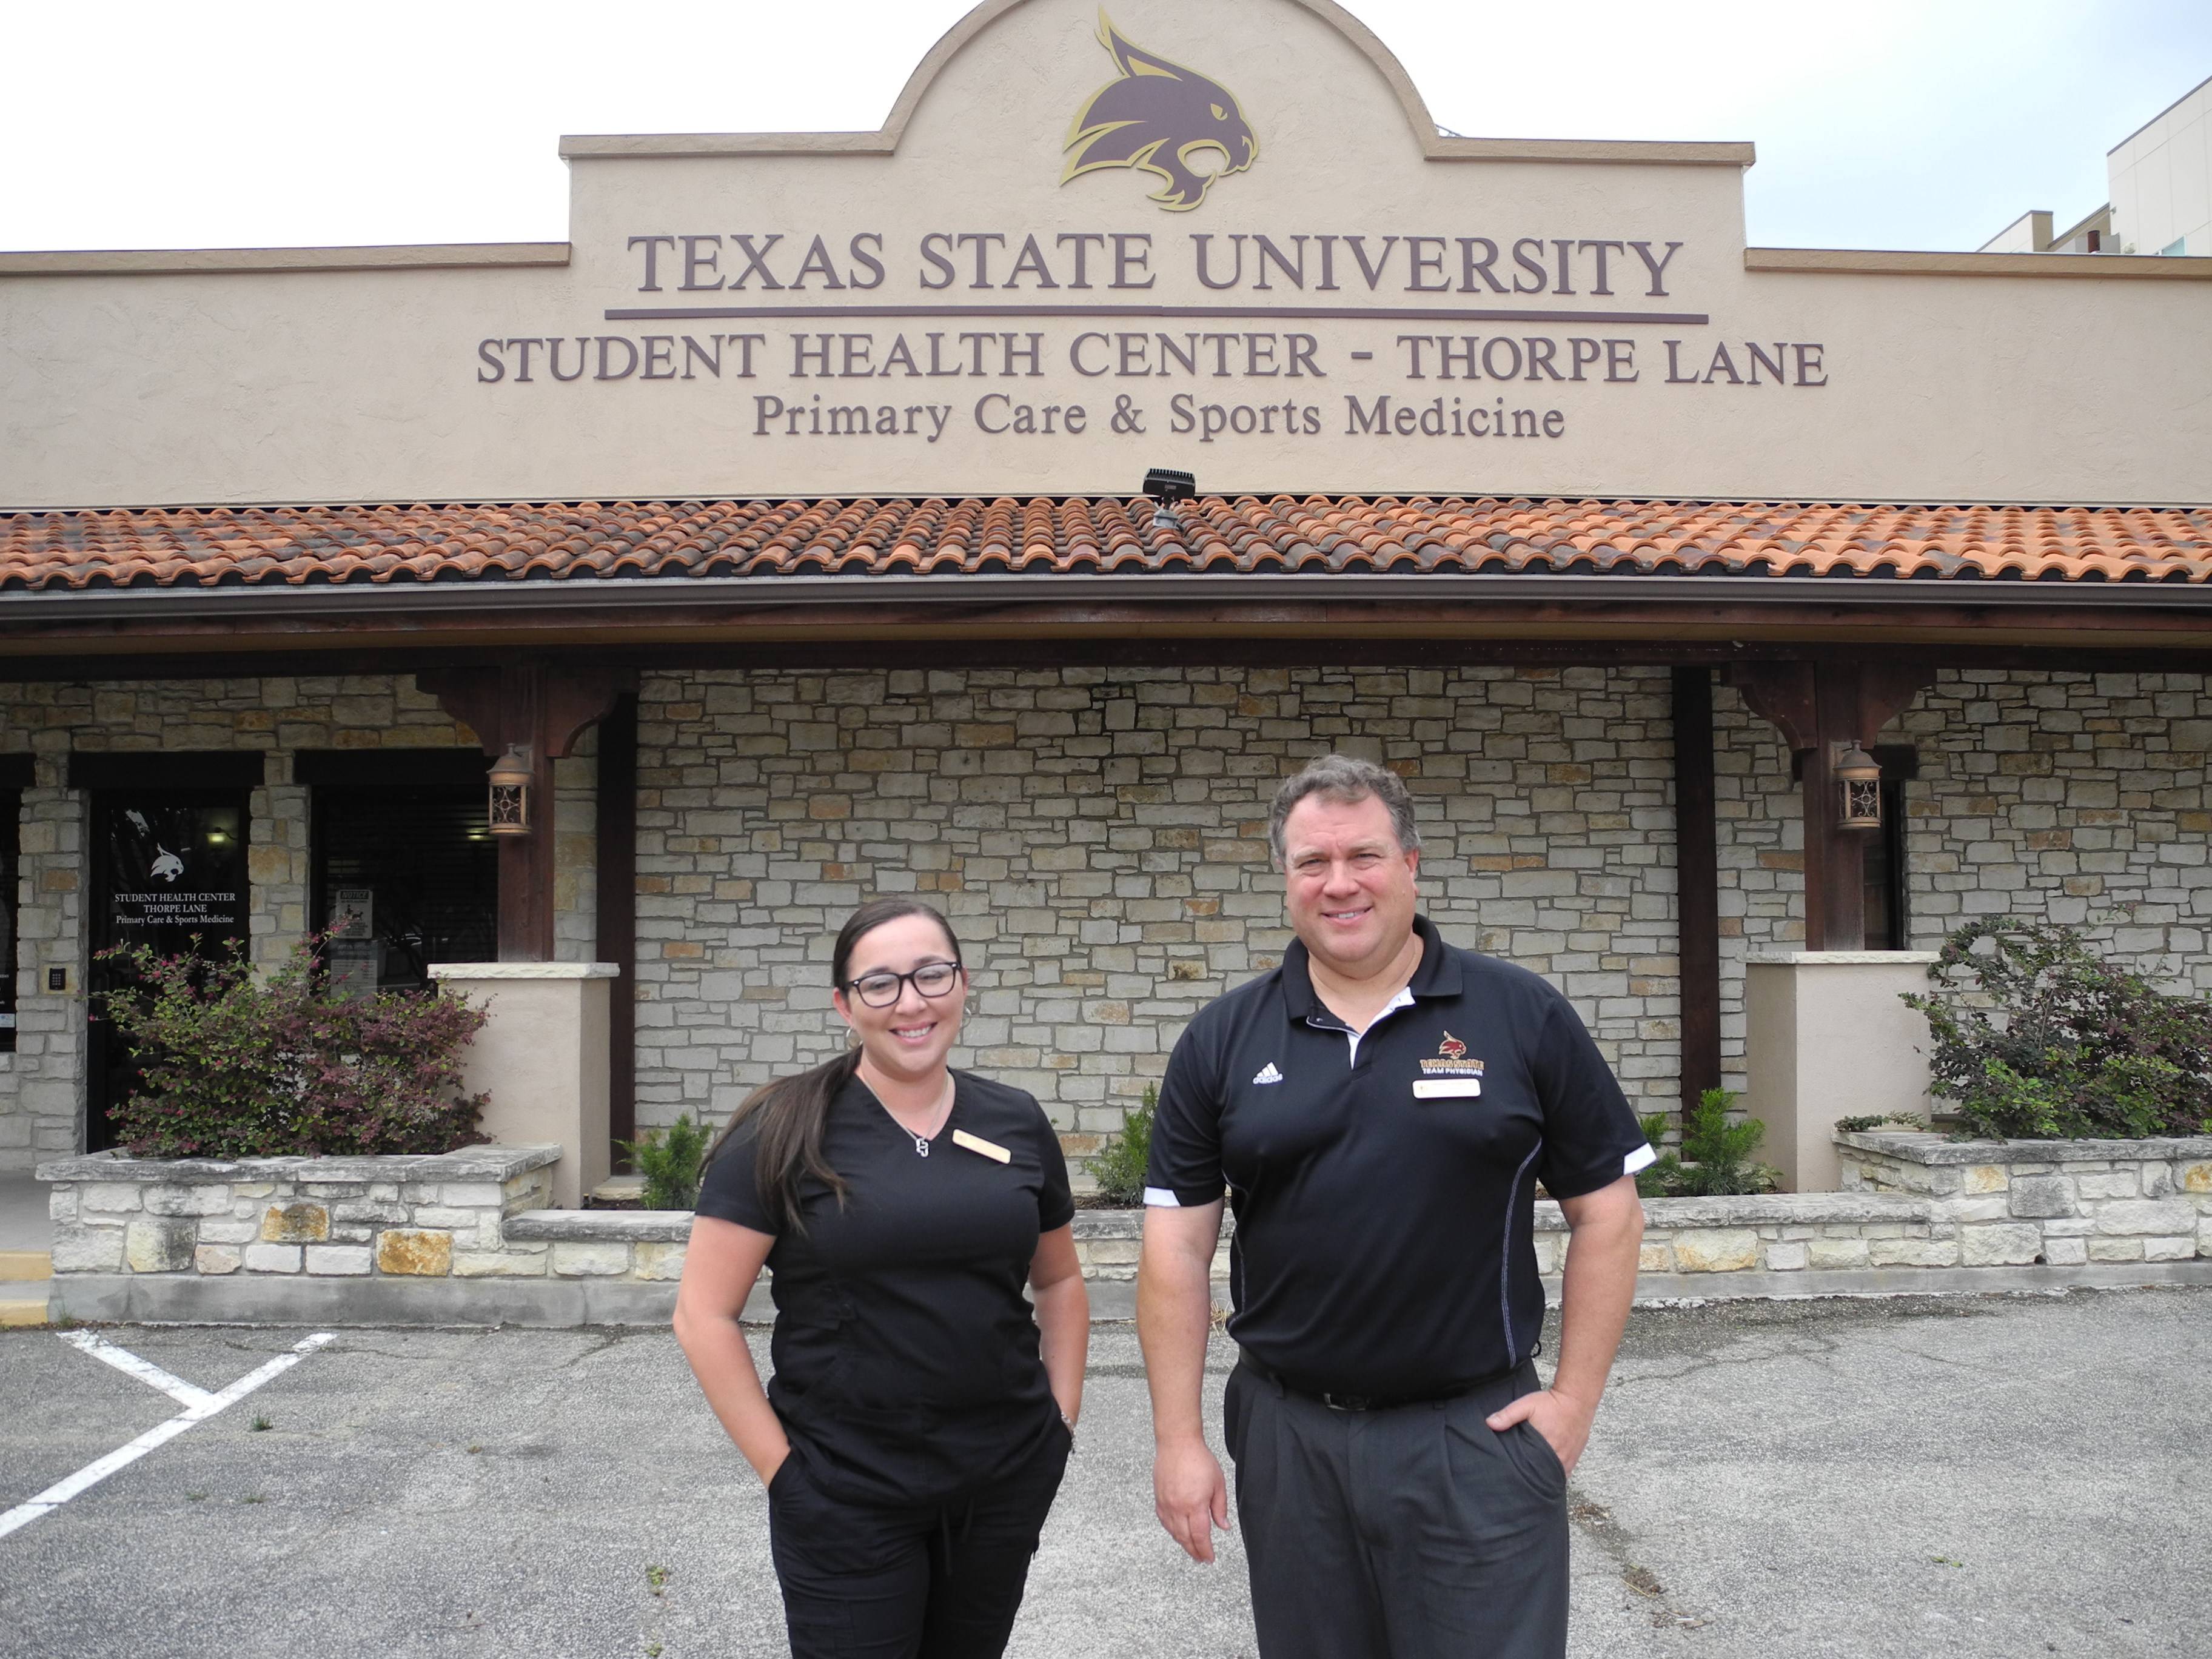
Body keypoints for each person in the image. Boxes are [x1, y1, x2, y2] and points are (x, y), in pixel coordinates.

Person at [1136, 754, 1652, 1659]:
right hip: (1288, 1438)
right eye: (1312, 863)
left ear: (1411, 864)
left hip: (1473, 1436)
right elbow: (1174, 1249)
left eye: (1364, 856)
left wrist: (1573, 1399)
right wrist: (1178, 1438)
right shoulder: (1223, 1038)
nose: (1340, 884)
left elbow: (1608, 1211)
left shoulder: (1520, 1014)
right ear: (1285, 880)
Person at [674, 896, 1088, 1659]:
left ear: (963, 984)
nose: (911, 1002)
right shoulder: (783, 1131)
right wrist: (786, 1476)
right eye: (881, 984)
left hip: (1000, 1485)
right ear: (844, 1004)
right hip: (845, 1494)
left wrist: (1057, 1427)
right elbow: (703, 1315)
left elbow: (1059, 1282)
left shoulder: (1015, 1120)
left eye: (932, 975)